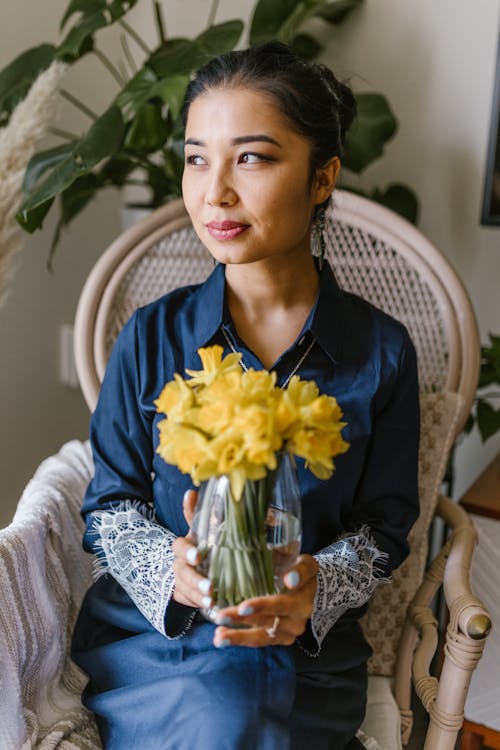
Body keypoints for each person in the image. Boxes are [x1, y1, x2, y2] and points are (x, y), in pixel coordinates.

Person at [71, 41, 420, 750]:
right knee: (224, 714)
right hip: (162, 644)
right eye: (197, 158)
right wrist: (177, 575)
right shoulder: (151, 336)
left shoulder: (381, 352)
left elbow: (384, 531)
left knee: (245, 710)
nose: (214, 192)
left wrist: (313, 586)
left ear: (323, 178)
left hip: (303, 648)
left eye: (252, 158)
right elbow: (110, 507)